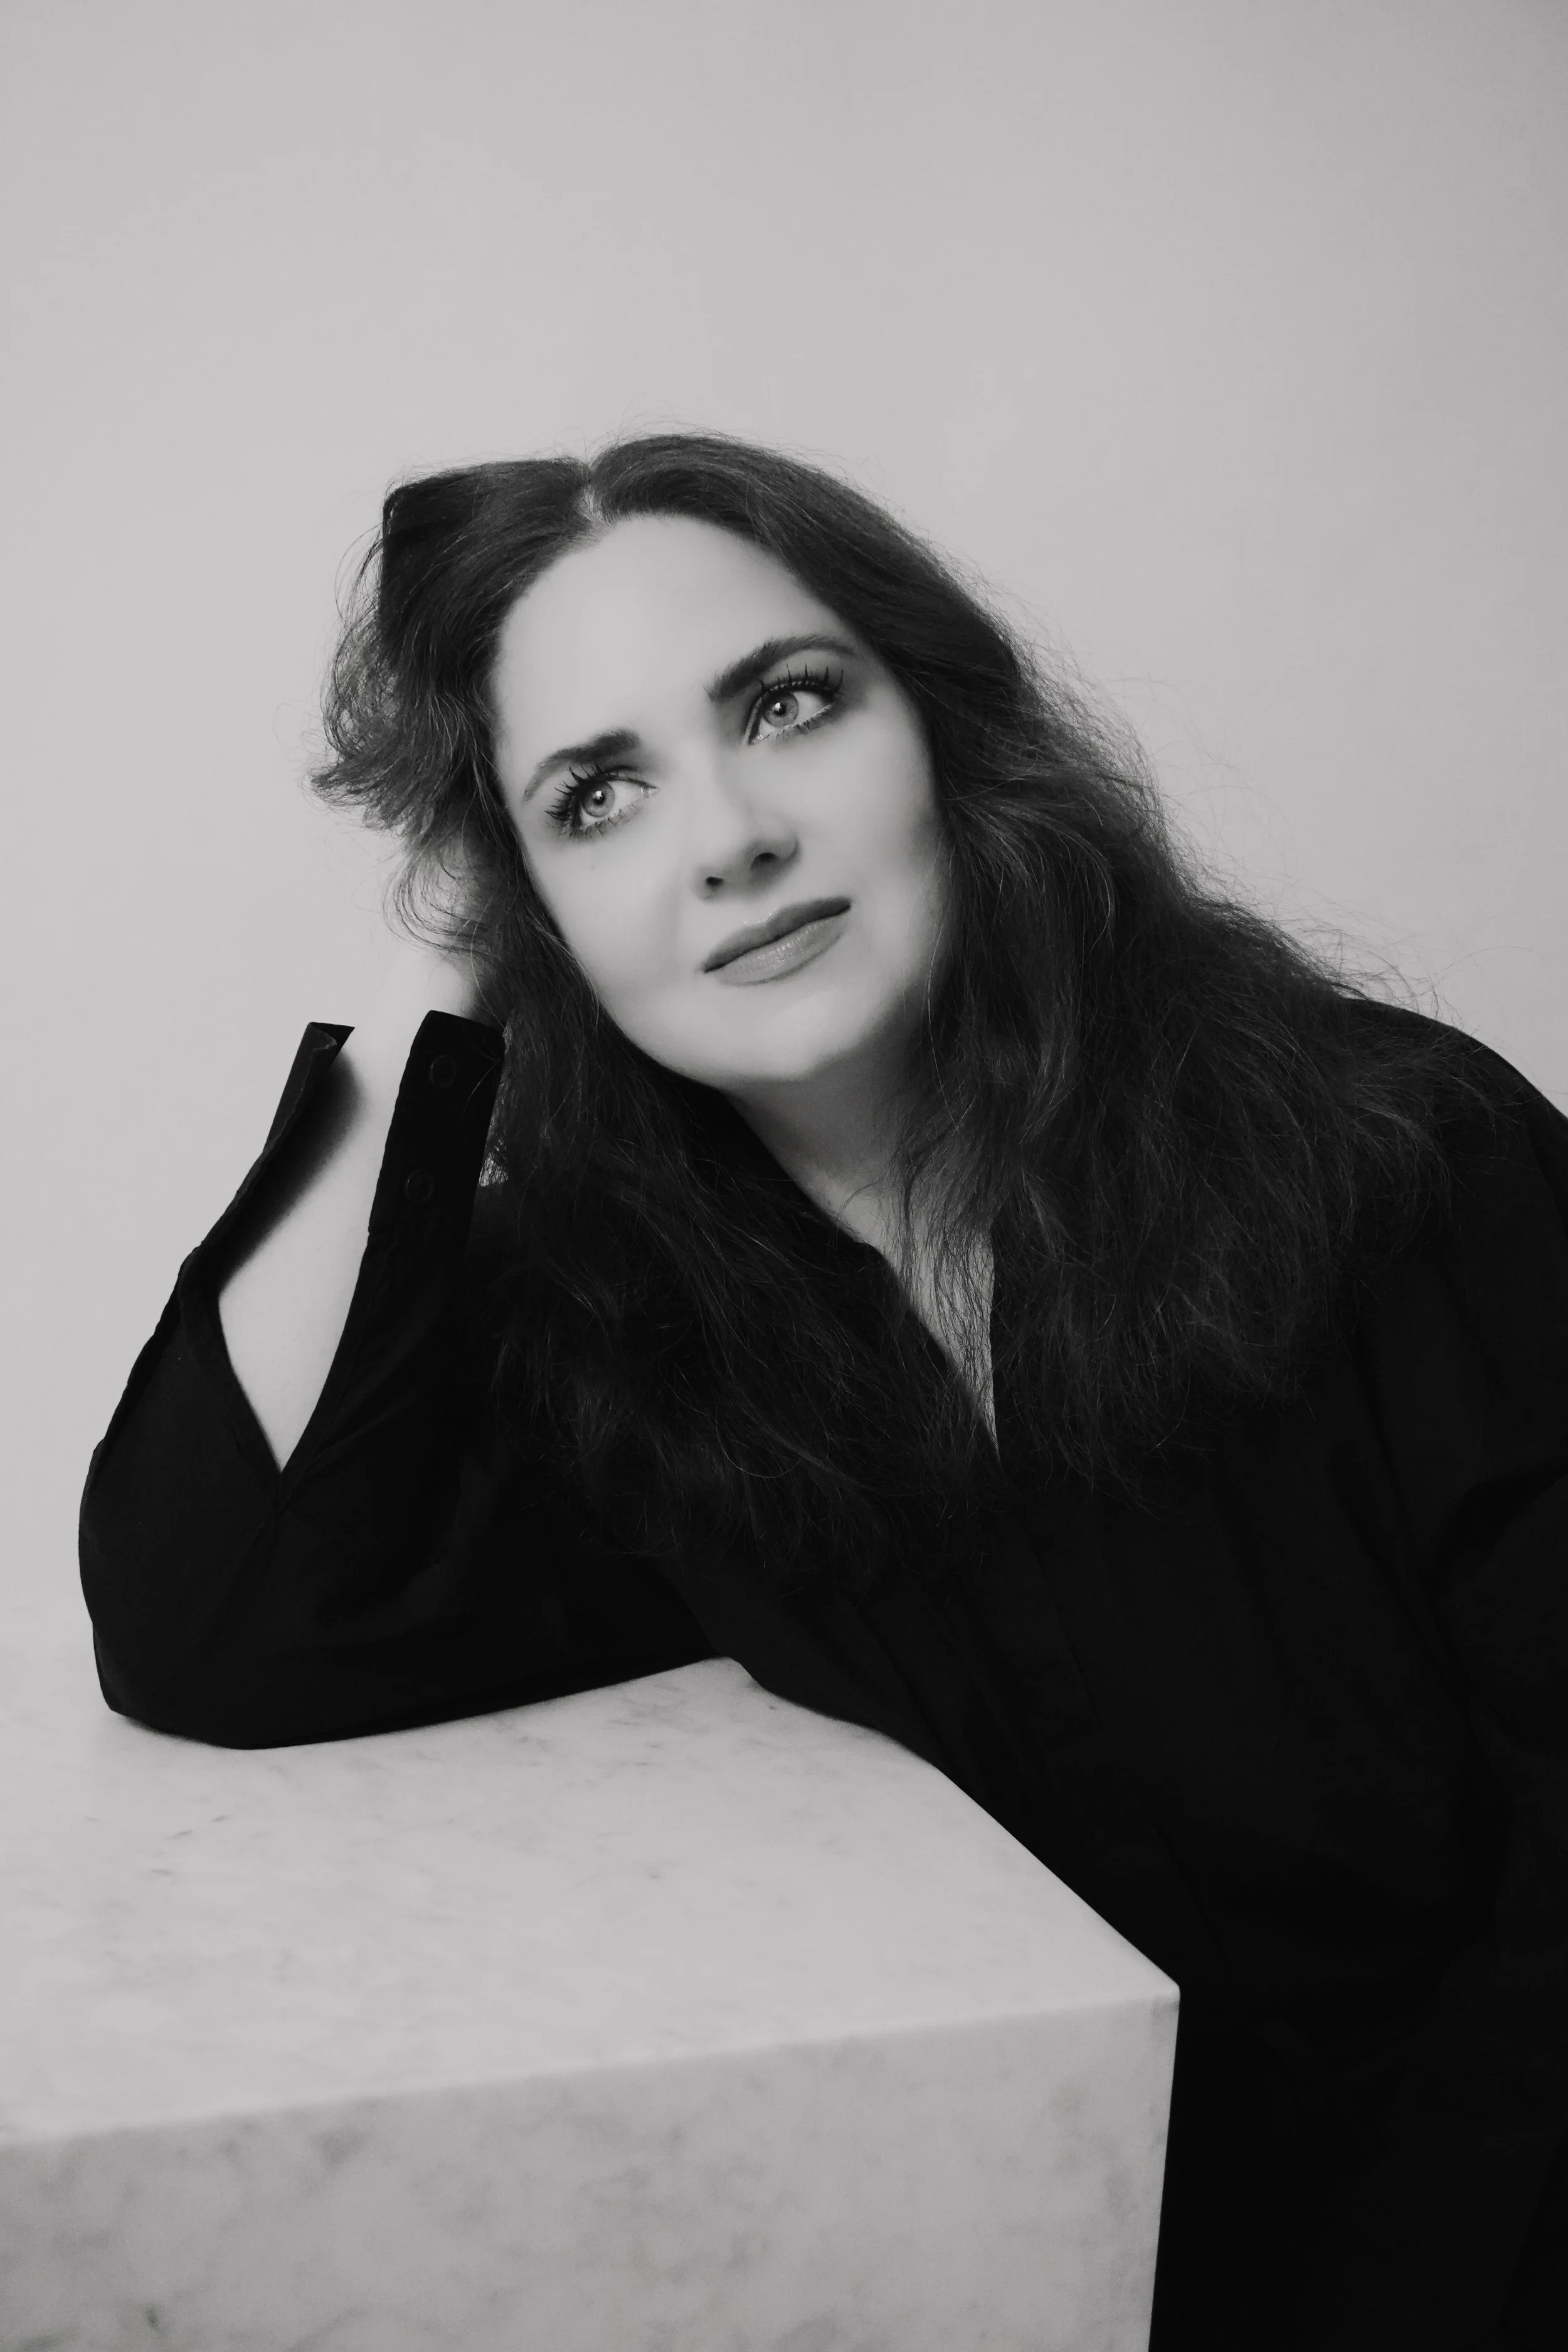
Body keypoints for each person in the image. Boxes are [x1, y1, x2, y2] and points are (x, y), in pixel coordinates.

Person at [79, 432, 1567, 2349]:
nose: (727, 838)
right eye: (595, 795)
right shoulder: (630, 1348)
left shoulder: (1402, 1164)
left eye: (785, 705)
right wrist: (437, 975)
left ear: (940, 726)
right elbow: (213, 1617)